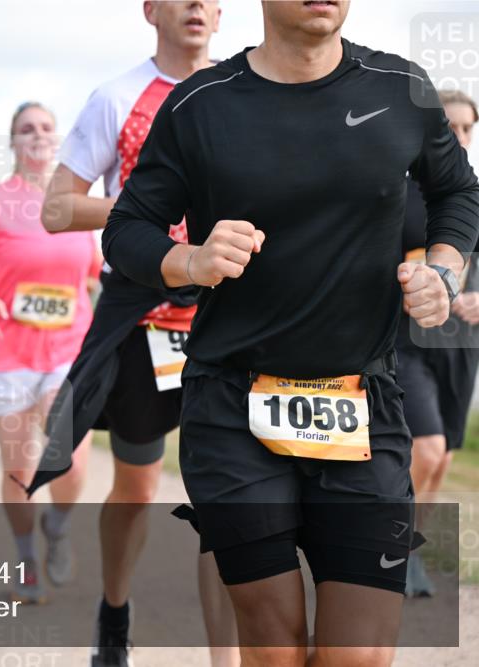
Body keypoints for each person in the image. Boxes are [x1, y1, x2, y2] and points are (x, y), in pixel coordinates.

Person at [102, 1, 478, 664]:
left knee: (356, 656)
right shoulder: (201, 105)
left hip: (363, 403)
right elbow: (127, 228)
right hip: (232, 406)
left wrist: (444, 271)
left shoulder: (402, 90)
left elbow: (459, 193)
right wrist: (190, 259)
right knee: (274, 650)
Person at [28, 2, 235, 664]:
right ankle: (114, 611)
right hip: (142, 314)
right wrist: (147, 208)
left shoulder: (245, 88)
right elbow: (57, 208)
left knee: (227, 494)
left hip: (226, 316)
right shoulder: (117, 97)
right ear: (152, 9)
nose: (198, 6)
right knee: (139, 486)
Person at [0, 102, 96, 604]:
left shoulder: (77, 203)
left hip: (67, 348)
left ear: (59, 139)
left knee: (71, 461)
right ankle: (26, 559)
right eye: (25, 129)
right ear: (13, 142)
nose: (37, 135)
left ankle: (58, 524)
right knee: (20, 470)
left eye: (46, 127)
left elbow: (95, 273)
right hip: (8, 351)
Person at [398, 89, 479, 597]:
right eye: (448, 127)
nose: (459, 137)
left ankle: (406, 548)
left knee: (443, 456)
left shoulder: (472, 194)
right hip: (406, 344)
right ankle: (385, 549)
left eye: (467, 128)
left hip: (461, 348)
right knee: (424, 451)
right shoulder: (401, 192)